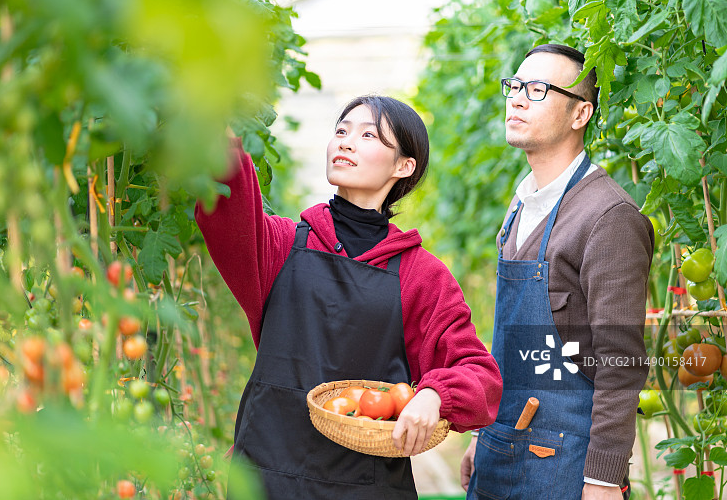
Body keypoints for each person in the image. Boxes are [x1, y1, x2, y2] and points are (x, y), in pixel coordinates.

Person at [195, 95, 502, 499]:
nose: (345, 141)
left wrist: (434, 394)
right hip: (265, 479)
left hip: (365, 488)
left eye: (367, 135)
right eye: (341, 131)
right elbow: (226, 205)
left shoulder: (420, 275)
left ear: (403, 166)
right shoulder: (281, 245)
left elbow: (480, 374)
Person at [460, 44, 654, 499]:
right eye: (515, 86)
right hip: (502, 443)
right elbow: (510, 336)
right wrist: (481, 433)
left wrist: (603, 480)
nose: (518, 98)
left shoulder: (608, 217)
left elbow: (621, 362)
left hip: (564, 466)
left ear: (580, 113)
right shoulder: (522, 200)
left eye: (539, 89)